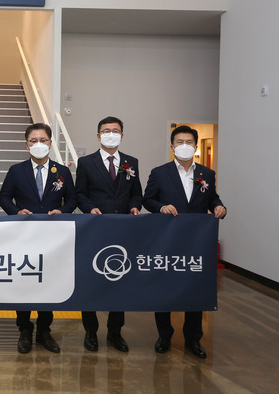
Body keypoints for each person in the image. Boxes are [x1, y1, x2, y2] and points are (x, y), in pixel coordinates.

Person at [143, 125, 227, 359]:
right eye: (179, 142)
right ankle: (164, 335)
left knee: (195, 287)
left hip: (196, 242)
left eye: (189, 142)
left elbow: (212, 198)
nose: (184, 146)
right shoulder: (160, 173)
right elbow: (148, 199)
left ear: (196, 146)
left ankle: (193, 338)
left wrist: (219, 207)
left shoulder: (207, 174)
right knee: (164, 287)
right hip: (167, 240)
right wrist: (161, 207)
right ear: (172, 146)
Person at [0, 122, 77, 354]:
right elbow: (4, 198)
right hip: (24, 236)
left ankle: (44, 330)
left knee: (48, 282)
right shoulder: (16, 171)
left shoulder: (62, 172)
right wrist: (16, 212)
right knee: (24, 281)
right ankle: (24, 329)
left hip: (53, 238)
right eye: (33, 141)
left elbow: (72, 199)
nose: (38, 144)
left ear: (50, 143)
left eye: (43, 140)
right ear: (27, 145)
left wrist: (62, 211)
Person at [75, 116, 142, 353]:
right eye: (106, 131)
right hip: (95, 229)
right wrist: (89, 208)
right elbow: (80, 193)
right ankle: (90, 332)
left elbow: (137, 193)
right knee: (91, 280)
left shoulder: (131, 162)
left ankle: (115, 332)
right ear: (98, 136)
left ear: (122, 135)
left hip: (123, 230)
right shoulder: (86, 162)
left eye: (115, 131)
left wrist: (135, 207)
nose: (110, 134)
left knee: (119, 281)